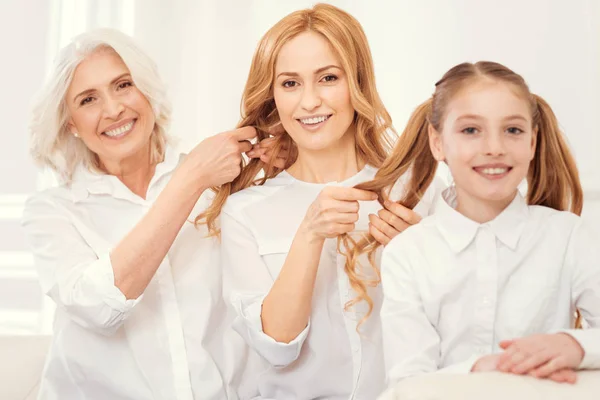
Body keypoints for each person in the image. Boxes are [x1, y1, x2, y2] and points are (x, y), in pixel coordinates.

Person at [22, 28, 285, 400]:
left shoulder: (218, 184)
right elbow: (98, 306)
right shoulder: (51, 212)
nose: (113, 109)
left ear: (146, 91)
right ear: (71, 125)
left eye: (124, 85)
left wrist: (286, 170)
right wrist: (190, 179)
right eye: (88, 100)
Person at [198, 4, 441, 398]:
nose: (309, 102)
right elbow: (275, 345)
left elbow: (459, 328)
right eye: (290, 84)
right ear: (273, 96)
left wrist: (421, 253)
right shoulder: (245, 212)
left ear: (357, 82)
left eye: (327, 78)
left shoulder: (416, 192)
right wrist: (309, 234)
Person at [378, 61, 599, 386]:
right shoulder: (408, 254)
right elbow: (408, 381)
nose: (494, 148)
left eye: (513, 130)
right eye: (470, 130)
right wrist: (484, 369)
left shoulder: (569, 237)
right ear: (437, 142)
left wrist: (575, 345)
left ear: (533, 142)